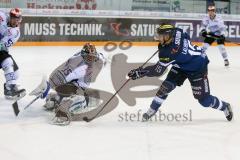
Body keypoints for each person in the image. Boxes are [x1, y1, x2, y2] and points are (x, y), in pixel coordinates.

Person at [128, 24, 233, 122]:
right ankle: (152, 110)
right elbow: (186, 36)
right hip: (181, 65)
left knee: (204, 101)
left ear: (168, 36)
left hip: (197, 67)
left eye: (161, 36)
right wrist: (167, 45)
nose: (158, 38)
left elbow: (157, 71)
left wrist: (140, 72)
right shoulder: (177, 31)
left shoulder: (169, 53)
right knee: (166, 86)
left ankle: (225, 106)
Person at [30, 43, 106, 125]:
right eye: (88, 57)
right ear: (83, 55)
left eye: (92, 56)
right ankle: (63, 113)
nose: (90, 59)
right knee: (81, 100)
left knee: (95, 97)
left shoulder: (99, 58)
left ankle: (55, 99)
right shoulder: (75, 65)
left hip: (76, 86)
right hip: (72, 86)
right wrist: (47, 87)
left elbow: (104, 58)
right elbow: (61, 77)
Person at [0, 8, 26, 100]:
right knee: (7, 62)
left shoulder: (15, 33)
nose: (16, 21)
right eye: (14, 18)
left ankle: (8, 88)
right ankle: (11, 88)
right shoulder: (2, 16)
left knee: (15, 74)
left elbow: (2, 45)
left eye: (18, 19)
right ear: (10, 17)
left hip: (1, 50)